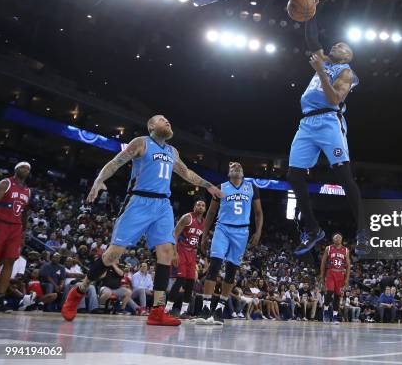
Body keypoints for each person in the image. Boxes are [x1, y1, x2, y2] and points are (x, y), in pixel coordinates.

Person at [61, 115, 223, 326]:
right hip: (138, 201)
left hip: (163, 205)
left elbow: (186, 172)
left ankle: (157, 310)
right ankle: (79, 290)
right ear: (151, 126)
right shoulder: (141, 142)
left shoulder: (172, 151)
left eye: (168, 119)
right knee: (112, 255)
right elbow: (115, 162)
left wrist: (208, 185)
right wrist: (99, 180)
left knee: (165, 253)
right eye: (162, 119)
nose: (167, 121)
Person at [288, 15, 366, 256]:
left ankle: (364, 232)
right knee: (294, 175)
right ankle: (313, 229)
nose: (336, 45)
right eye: (336, 43)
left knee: (344, 176)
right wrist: (311, 10)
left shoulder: (346, 72)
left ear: (348, 56)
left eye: (342, 46)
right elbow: (311, 38)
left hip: (329, 121)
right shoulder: (324, 59)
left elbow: (335, 99)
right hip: (307, 123)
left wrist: (321, 71)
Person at [197, 162, 263, 325]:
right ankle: (205, 308)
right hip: (222, 229)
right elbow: (211, 212)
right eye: (233, 167)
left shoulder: (252, 188)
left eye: (240, 167)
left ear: (243, 173)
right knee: (214, 267)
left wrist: (258, 231)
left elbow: (258, 213)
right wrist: (204, 235)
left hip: (242, 232)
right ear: (229, 173)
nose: (237, 168)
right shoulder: (221, 187)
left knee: (232, 271)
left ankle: (219, 309)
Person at [0, 162, 31, 311]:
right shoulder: (6, 183)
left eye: (28, 169)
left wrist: (23, 233)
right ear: (16, 169)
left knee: (9, 261)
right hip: (0, 223)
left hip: (16, 228)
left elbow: (24, 212)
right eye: (23, 167)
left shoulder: (28, 191)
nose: (25, 170)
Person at [166, 200, 206, 319]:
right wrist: (174, 253)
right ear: (194, 206)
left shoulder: (204, 222)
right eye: (198, 204)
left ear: (205, 209)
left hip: (192, 254)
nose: (200, 207)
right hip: (181, 251)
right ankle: (167, 309)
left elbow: (196, 239)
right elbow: (175, 234)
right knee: (180, 280)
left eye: (203, 205)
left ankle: (184, 311)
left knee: (190, 282)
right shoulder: (187, 218)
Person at [319, 232, 350, 324]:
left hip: (340, 274)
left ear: (342, 239)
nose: (338, 239)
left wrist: (347, 279)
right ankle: (325, 310)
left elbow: (348, 265)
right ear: (333, 240)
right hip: (330, 273)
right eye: (336, 238)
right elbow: (323, 263)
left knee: (337, 295)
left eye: (339, 238)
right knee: (330, 291)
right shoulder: (328, 248)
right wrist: (322, 276)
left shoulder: (346, 250)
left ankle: (335, 316)